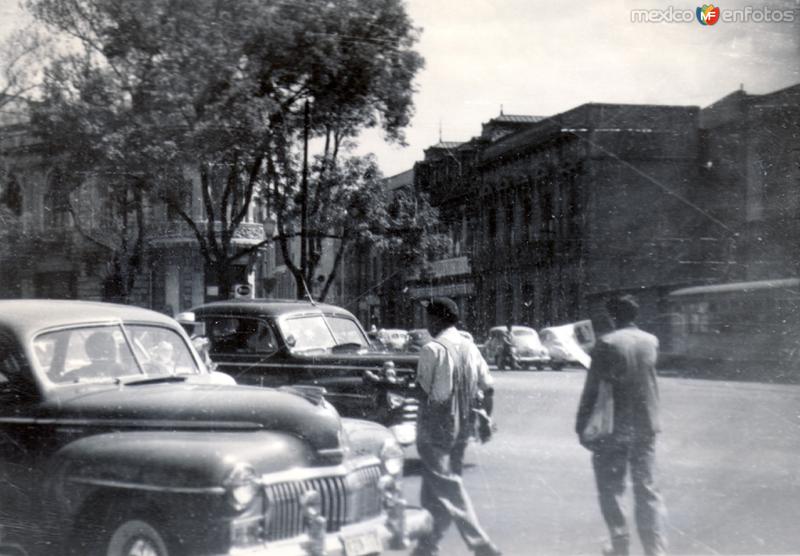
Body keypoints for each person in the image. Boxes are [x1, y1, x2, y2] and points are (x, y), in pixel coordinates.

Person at [575, 295, 667, 556]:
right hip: (647, 425)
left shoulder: (606, 343)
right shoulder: (651, 341)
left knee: (611, 487)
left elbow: (592, 391)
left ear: (612, 316)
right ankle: (655, 549)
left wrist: (581, 425)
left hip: (614, 427)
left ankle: (620, 547)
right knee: (647, 488)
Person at [413, 297, 501, 556]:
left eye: (429, 318)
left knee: (447, 487)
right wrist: (485, 419)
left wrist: (388, 385)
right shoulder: (469, 347)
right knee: (435, 489)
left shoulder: (432, 349)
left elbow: (422, 392)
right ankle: (427, 546)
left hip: (436, 424)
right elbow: (489, 387)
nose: (427, 324)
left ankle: (481, 544)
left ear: (437, 319)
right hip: (463, 424)